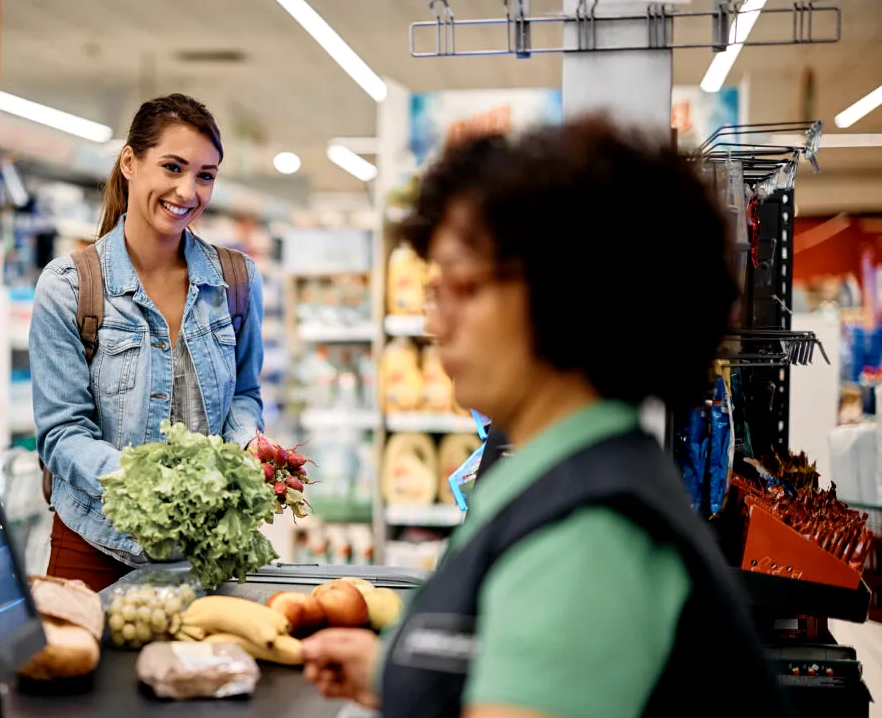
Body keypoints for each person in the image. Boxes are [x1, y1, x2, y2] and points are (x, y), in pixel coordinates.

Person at [301, 118, 793, 717]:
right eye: (435, 289)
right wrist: (398, 672)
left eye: (464, 286)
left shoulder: (590, 536)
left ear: (564, 293)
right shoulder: (564, 471)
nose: (435, 322)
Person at [29, 94, 265, 593]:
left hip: (204, 548)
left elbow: (245, 394)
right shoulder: (69, 286)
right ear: (130, 162)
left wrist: (247, 445)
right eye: (172, 167)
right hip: (94, 545)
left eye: (205, 175)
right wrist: (145, 483)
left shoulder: (236, 281)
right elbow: (61, 433)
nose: (188, 191)